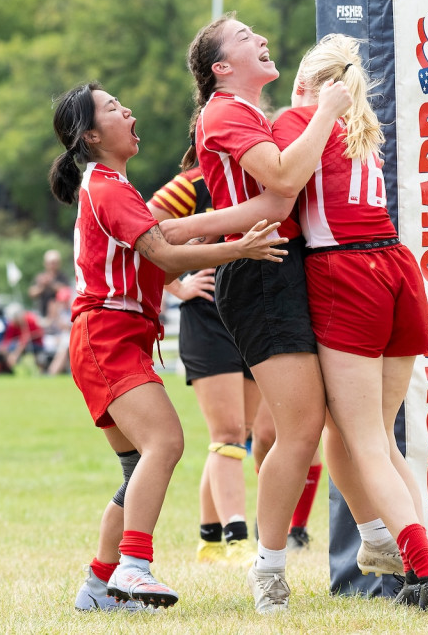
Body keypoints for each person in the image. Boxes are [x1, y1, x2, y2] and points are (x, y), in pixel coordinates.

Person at [49, 81, 288, 611]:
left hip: (112, 337)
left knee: (139, 468)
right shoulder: (108, 187)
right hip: (107, 337)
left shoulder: (111, 185)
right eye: (113, 108)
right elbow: (164, 256)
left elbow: (162, 245)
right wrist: (239, 248)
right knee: (167, 443)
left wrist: (212, 242)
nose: (127, 110)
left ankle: (97, 588)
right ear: (90, 135)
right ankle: (134, 567)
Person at [173, 12, 352, 614]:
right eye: (247, 37)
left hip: (283, 263)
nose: (263, 39)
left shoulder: (254, 116)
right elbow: (280, 187)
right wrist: (327, 111)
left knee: (305, 427)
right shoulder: (224, 112)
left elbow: (276, 195)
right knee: (289, 430)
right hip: (261, 273)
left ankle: (381, 540)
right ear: (222, 68)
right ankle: (268, 565)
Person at [271, 33, 428, 609]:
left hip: (346, 270)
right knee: (376, 437)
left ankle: (423, 571)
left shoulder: (298, 118)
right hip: (398, 265)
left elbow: (277, 182)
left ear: (308, 84)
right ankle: (420, 561)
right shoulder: (364, 130)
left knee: (364, 439)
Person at [148, 167, 262, 568]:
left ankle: (209, 540)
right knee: (228, 434)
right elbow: (144, 228)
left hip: (256, 313)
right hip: (208, 318)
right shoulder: (194, 182)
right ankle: (238, 538)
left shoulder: (265, 175)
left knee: (239, 435)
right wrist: (177, 285)